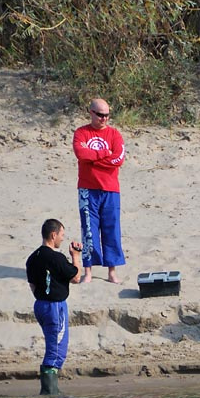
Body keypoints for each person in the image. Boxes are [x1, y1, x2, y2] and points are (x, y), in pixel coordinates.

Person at [26, 219, 83, 394]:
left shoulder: (32, 257)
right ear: (53, 235)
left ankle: (51, 391)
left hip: (40, 305)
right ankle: (49, 392)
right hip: (54, 307)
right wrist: (76, 256)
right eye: (61, 235)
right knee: (57, 350)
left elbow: (32, 285)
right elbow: (76, 277)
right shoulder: (56, 258)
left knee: (53, 345)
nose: (62, 239)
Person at [73, 98, 126, 284]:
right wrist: (105, 153)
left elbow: (118, 158)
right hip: (88, 189)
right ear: (91, 112)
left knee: (111, 229)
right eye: (100, 115)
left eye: (107, 115)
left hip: (110, 189)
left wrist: (94, 159)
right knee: (89, 230)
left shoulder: (114, 134)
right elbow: (81, 154)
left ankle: (112, 271)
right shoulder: (82, 133)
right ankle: (88, 271)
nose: (104, 119)